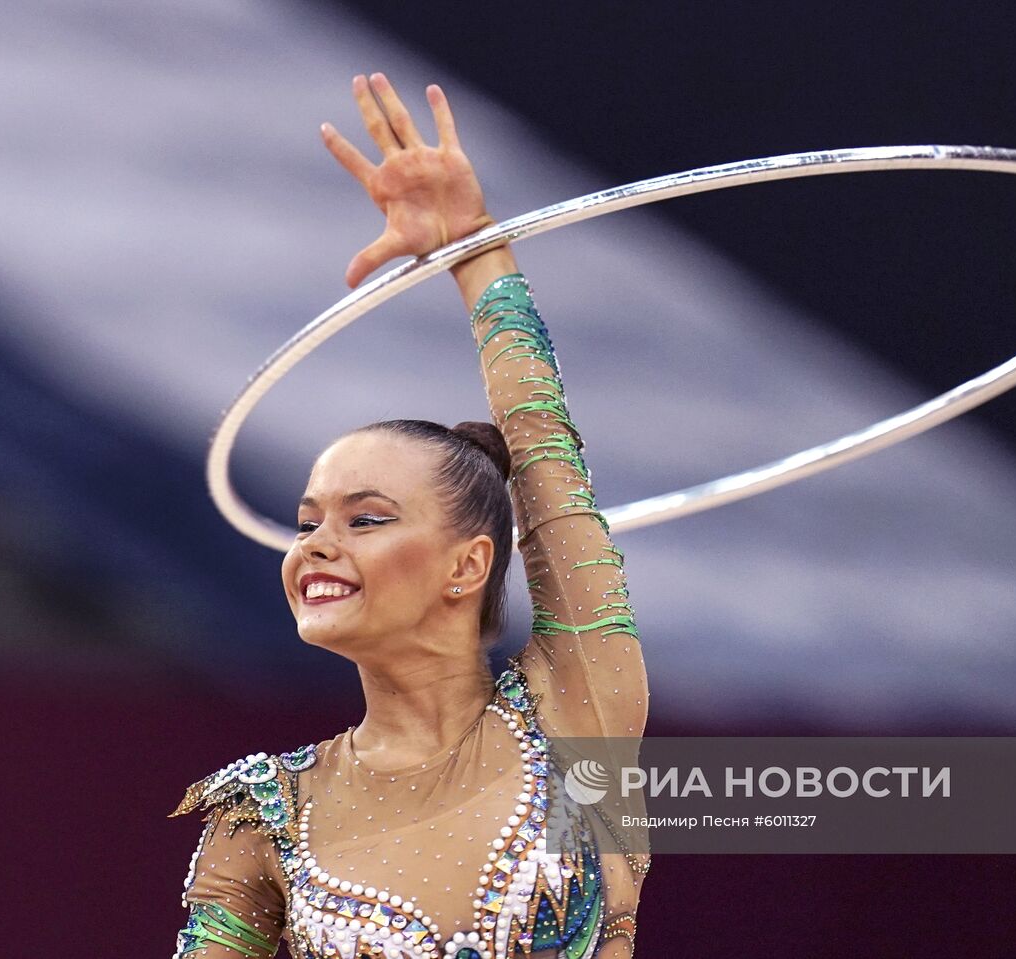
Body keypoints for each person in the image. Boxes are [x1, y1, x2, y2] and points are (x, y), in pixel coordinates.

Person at [169, 73, 650, 959]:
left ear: (467, 565)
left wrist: (475, 247)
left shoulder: (576, 710)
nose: (315, 543)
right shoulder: (266, 814)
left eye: (366, 518)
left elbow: (543, 449)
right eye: (309, 519)